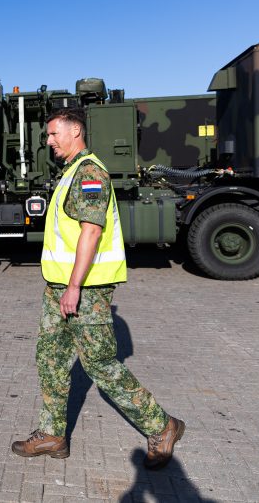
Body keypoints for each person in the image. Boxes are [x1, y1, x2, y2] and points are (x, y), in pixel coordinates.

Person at [11, 106, 185, 469]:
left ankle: (161, 426)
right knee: (51, 360)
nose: (49, 141)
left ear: (75, 132)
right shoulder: (71, 172)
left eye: (53, 134)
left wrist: (74, 286)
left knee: (101, 365)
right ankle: (52, 435)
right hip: (57, 287)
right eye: (48, 135)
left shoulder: (90, 173)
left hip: (84, 289)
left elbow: (92, 231)